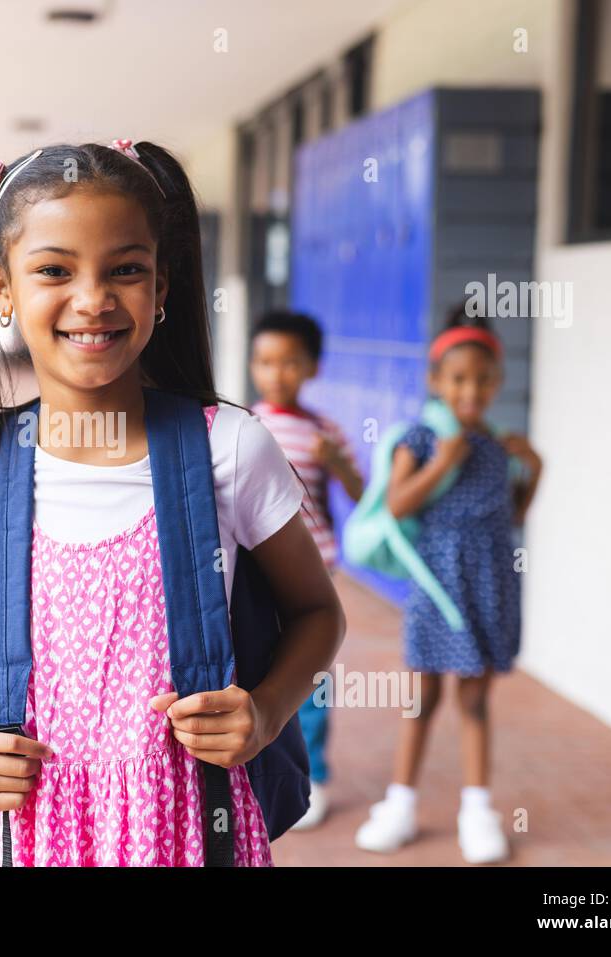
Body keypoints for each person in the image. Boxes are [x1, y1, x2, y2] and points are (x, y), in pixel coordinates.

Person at [0, 140, 345, 865]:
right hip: (40, 830)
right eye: (54, 269)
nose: (93, 299)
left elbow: (317, 612)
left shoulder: (227, 448)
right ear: (0, 287)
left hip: (187, 828)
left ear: (162, 286)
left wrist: (264, 712)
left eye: (126, 270)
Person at [354, 305, 543, 864]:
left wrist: (538, 469)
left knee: (476, 698)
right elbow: (397, 503)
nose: (471, 390)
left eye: (484, 379)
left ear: (498, 382)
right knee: (423, 697)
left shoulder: (499, 445)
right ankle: (400, 805)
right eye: (458, 378)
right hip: (439, 588)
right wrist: (445, 463)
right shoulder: (422, 438)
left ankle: (478, 811)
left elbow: (512, 515)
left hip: (488, 584)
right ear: (436, 381)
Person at [248, 309, 364, 829]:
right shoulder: (244, 424)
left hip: (314, 572)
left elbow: (363, 496)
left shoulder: (324, 430)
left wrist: (336, 462)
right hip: (256, 574)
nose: (277, 373)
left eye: (290, 363)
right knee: (262, 668)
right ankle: (262, 761)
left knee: (312, 674)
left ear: (312, 368)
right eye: (266, 362)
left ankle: (314, 774)